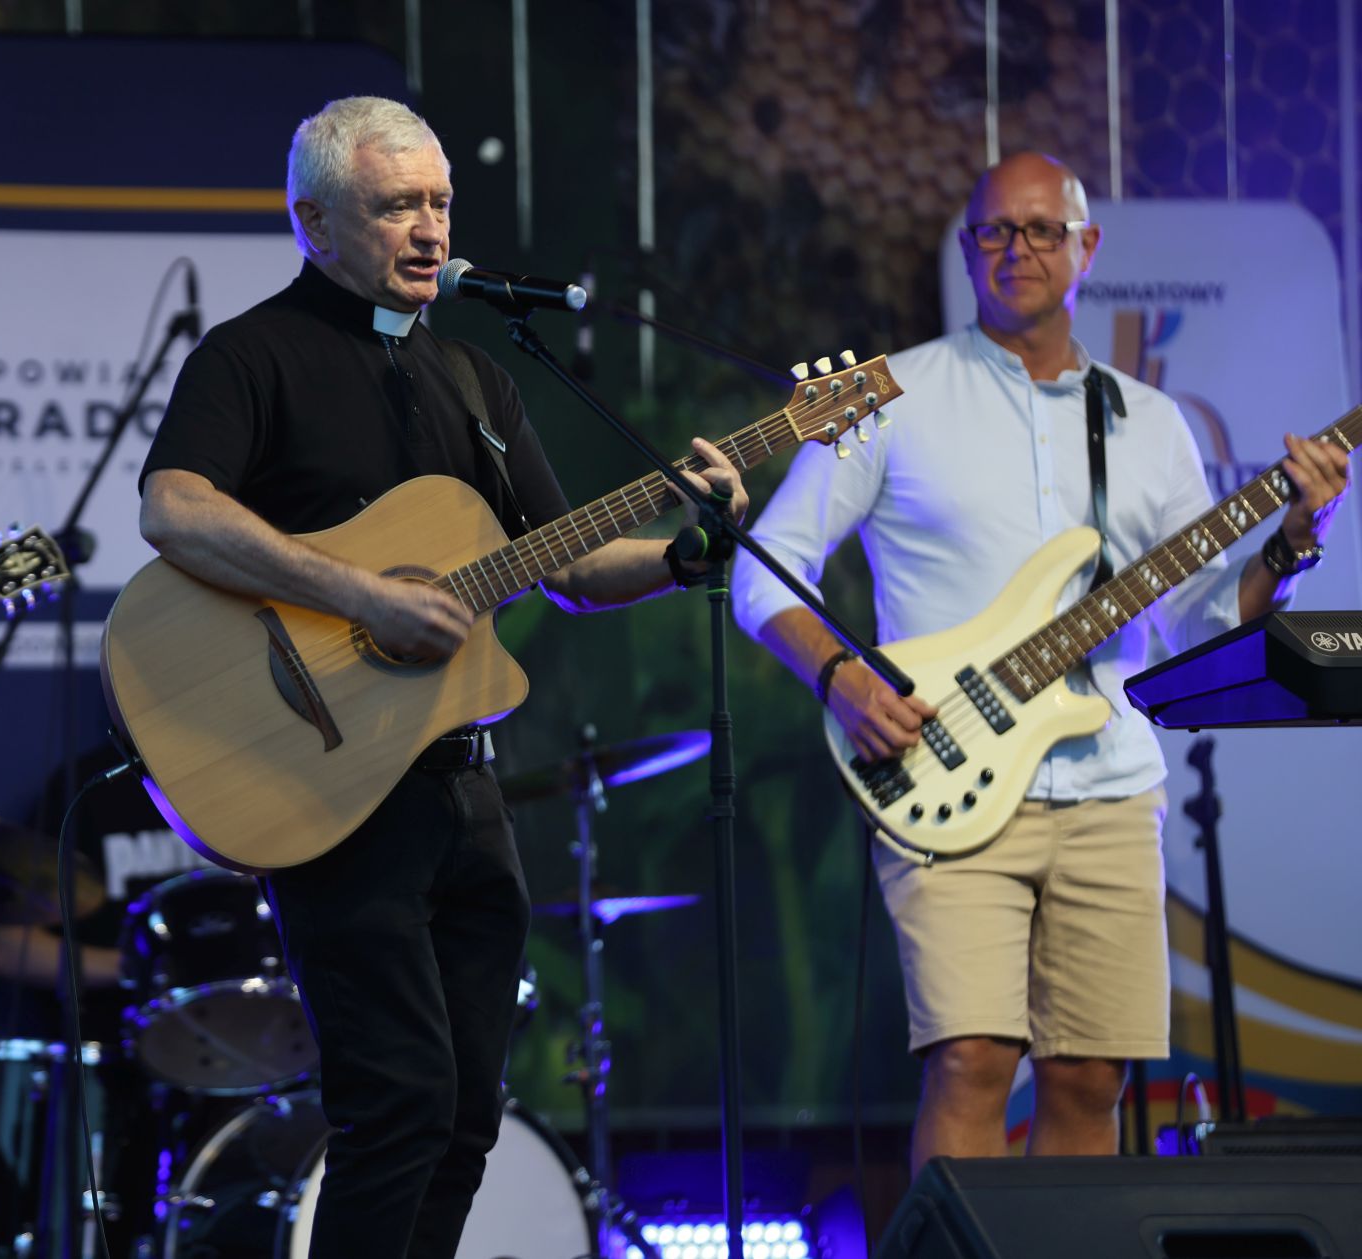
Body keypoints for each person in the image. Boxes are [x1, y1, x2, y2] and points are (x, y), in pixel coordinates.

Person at [136, 96, 747, 1259]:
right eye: (395, 206)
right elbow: (173, 507)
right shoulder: (252, 355)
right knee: (398, 1100)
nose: (428, 230)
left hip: (464, 790)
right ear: (314, 221)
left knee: (466, 1113)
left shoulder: (475, 379)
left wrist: (683, 551)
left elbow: (569, 567)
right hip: (328, 785)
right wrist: (358, 596)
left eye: (439, 203)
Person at [732, 152, 1350, 1169]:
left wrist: (1289, 542)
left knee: (1091, 1075)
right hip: (942, 771)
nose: (1016, 249)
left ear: (1086, 247)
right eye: (994, 230)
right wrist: (841, 677)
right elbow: (764, 569)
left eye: (1042, 230)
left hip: (1112, 785)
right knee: (972, 1059)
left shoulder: (1149, 423)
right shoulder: (888, 395)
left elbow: (1201, 627)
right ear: (966, 246)